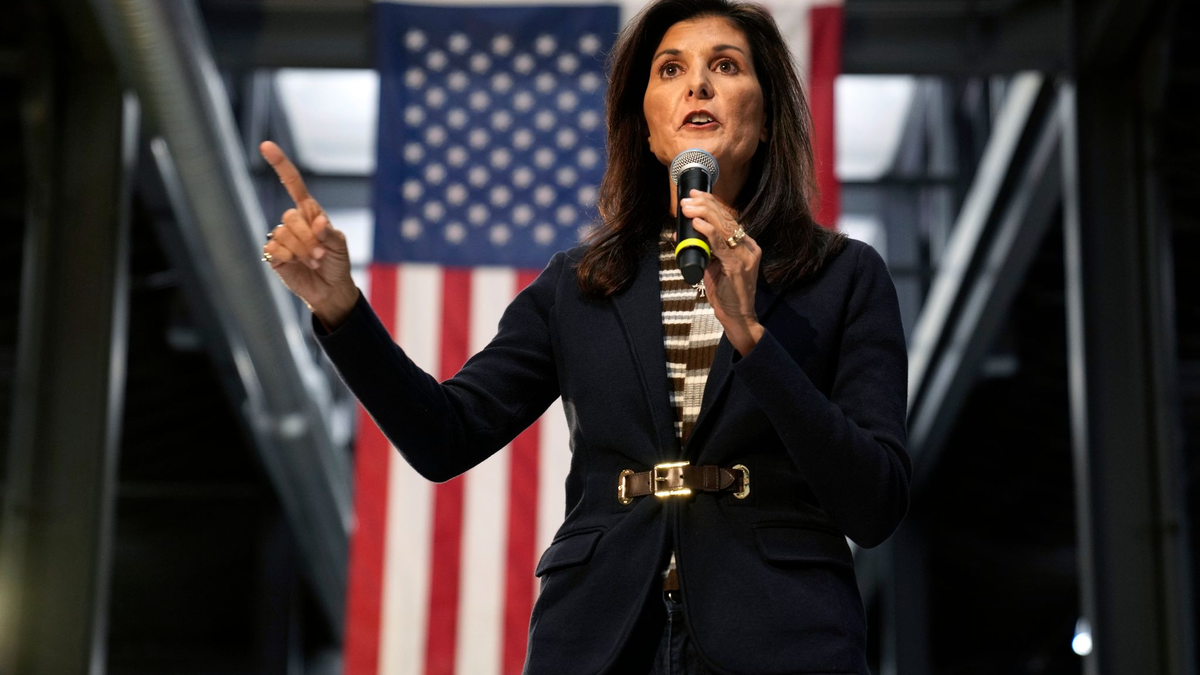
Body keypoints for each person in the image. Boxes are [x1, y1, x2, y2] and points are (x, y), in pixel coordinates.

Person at [258, 0, 911, 672]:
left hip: (786, 637)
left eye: (725, 66)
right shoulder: (578, 283)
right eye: (670, 69)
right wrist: (340, 308)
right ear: (648, 130)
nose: (697, 84)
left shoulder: (845, 275)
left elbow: (876, 503)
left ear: (768, 116)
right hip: (599, 639)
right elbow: (444, 437)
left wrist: (752, 337)